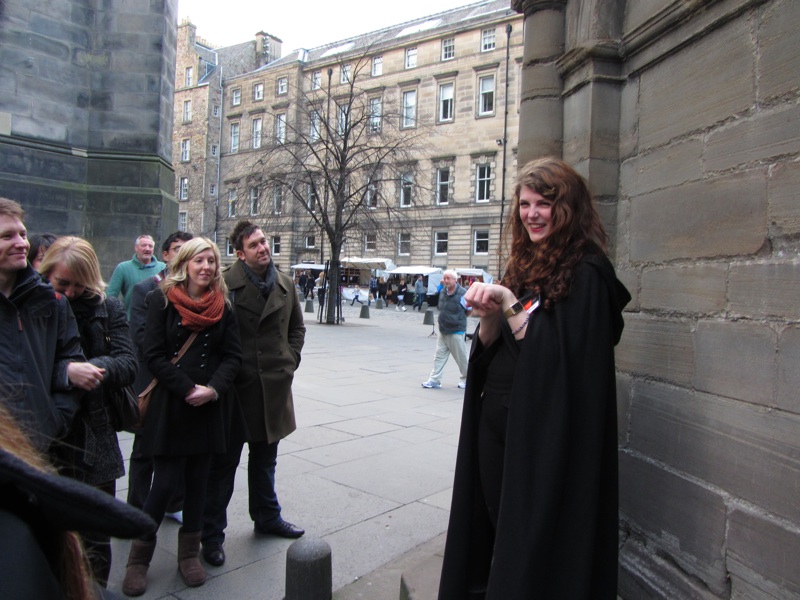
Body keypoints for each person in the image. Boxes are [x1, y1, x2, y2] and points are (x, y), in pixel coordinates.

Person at [437, 157, 631, 600]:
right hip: (499, 420)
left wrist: (506, 302)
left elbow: (555, 360)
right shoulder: (524, 263)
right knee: (492, 528)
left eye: (545, 203)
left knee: (529, 539)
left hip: (545, 437)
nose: (532, 214)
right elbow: (494, 343)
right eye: (525, 204)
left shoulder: (588, 273)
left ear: (568, 209)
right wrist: (488, 318)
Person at [122, 238, 241, 596]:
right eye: (199, 261)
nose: (205, 267)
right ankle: (138, 559)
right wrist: (188, 388)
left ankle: (189, 555)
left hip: (208, 409)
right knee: (162, 486)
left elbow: (232, 357)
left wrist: (213, 389)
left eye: (211, 261)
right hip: (172, 406)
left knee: (199, 485)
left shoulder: (224, 306)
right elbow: (153, 354)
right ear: (185, 263)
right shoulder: (160, 299)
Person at [202, 220, 306, 568]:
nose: (263, 248)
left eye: (264, 242)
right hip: (235, 391)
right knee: (223, 467)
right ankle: (211, 536)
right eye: (254, 245)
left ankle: (267, 517)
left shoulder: (286, 284)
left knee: (265, 462)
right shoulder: (224, 286)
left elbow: (297, 328)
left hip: (274, 389)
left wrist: (290, 360)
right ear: (240, 254)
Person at [38, 236, 138, 587]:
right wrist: (67, 372)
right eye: (62, 283)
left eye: (79, 285)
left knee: (96, 538)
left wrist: (92, 369)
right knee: (52, 534)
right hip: (48, 437)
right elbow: (23, 366)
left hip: (95, 436)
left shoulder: (107, 308)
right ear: (45, 271)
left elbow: (128, 363)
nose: (70, 293)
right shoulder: (33, 307)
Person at [0, 402, 156, 600]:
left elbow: (126, 371)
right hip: (50, 444)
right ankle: (138, 560)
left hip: (95, 437)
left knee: (97, 538)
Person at [0, 198, 85, 452]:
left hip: (34, 447)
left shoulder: (50, 301)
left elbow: (72, 358)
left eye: (22, 233)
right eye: (7, 236)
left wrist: (53, 421)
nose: (21, 243)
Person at [126, 231, 193, 521]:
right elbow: (140, 337)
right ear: (164, 255)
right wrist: (169, 366)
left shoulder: (198, 289)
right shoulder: (145, 289)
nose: (181, 255)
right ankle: (136, 508)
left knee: (179, 444)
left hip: (181, 381)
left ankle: (174, 503)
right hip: (152, 379)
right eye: (176, 250)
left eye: (186, 250)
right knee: (143, 449)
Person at [421, 270, 469, 389]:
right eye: (445, 278)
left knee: (461, 357)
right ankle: (435, 380)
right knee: (439, 356)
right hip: (443, 329)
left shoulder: (463, 293)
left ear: (455, 280)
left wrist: (459, 319)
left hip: (456, 330)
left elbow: (469, 310)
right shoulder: (443, 291)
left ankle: (467, 379)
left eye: (448, 278)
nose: (446, 281)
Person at [106, 235, 165, 318]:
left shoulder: (163, 268)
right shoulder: (123, 268)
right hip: (131, 321)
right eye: (143, 245)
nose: (147, 249)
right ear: (136, 248)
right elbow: (111, 295)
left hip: (156, 321)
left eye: (150, 246)